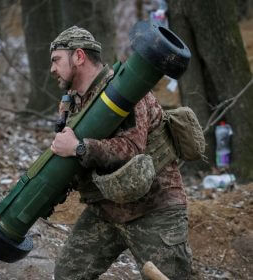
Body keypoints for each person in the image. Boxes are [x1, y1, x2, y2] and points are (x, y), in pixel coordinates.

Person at [49, 26, 192, 279]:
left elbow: (130, 149)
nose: (52, 69)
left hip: (154, 209)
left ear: (79, 57)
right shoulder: (72, 103)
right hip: (106, 210)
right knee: (68, 274)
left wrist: (79, 148)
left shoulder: (127, 89)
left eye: (56, 60)